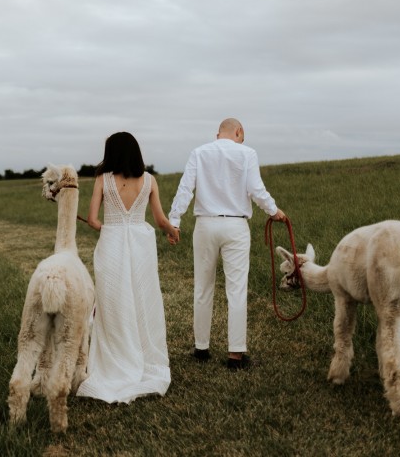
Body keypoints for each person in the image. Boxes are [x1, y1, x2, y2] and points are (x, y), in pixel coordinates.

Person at [168, 118, 286, 370]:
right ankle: (235, 354)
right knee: (236, 289)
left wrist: (174, 221)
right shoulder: (247, 153)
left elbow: (185, 188)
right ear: (239, 132)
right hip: (235, 226)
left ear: (218, 133)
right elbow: (256, 189)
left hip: (205, 225)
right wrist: (273, 210)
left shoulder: (199, 153)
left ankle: (201, 347)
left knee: (202, 286)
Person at [76, 131, 179, 403]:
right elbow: (160, 220)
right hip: (141, 244)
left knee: (113, 301)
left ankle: (117, 358)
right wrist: (172, 231)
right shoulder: (150, 180)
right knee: (143, 297)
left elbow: (92, 219)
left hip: (111, 244)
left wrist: (109, 228)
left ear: (111, 153)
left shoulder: (102, 180)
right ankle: (144, 356)